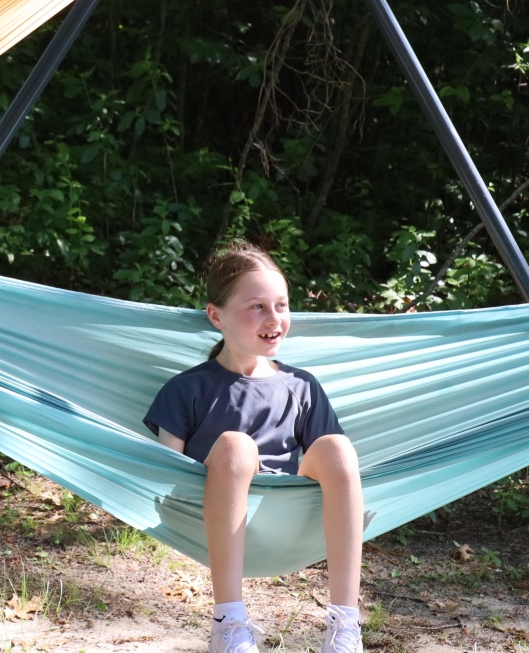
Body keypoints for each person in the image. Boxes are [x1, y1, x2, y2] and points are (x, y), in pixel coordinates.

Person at [144, 241, 364, 653]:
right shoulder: (186, 389)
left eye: (281, 305)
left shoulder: (302, 386)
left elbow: (331, 467)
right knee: (235, 446)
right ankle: (228, 625)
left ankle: (345, 626)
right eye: (257, 306)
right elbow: (166, 474)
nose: (275, 318)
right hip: (210, 516)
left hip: (290, 519)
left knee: (338, 447)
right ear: (216, 316)